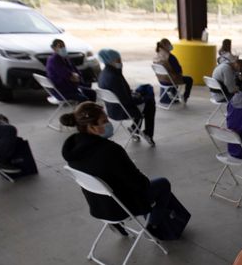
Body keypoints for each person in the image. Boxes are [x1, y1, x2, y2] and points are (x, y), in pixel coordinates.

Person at [61, 102, 174, 237]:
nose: (109, 123)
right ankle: (153, 226)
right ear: (91, 127)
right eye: (104, 121)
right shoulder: (110, 150)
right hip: (121, 206)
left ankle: (116, 224)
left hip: (98, 204)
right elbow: (139, 184)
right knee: (162, 184)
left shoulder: (72, 148)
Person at [97, 48, 157, 147]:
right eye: (118, 60)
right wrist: (139, 97)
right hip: (122, 110)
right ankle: (148, 133)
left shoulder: (104, 73)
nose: (120, 62)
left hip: (112, 109)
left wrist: (135, 94)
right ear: (110, 60)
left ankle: (134, 128)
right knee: (149, 103)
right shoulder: (114, 77)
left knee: (144, 94)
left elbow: (122, 95)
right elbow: (126, 100)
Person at [153, 38, 193, 104]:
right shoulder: (170, 57)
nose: (171, 45)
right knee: (189, 79)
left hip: (161, 80)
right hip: (171, 80)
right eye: (169, 44)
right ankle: (185, 97)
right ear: (166, 46)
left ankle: (173, 96)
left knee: (173, 75)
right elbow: (179, 70)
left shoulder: (157, 55)